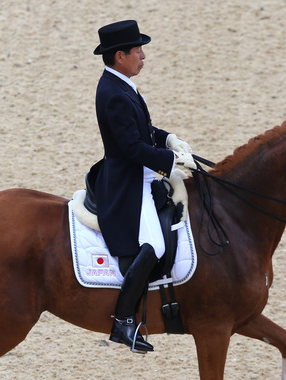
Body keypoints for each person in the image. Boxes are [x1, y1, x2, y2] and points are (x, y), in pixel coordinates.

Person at [92, 20, 195, 353]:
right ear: (119, 55)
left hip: (142, 173)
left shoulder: (123, 85)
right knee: (156, 244)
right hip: (128, 182)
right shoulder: (113, 93)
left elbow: (144, 131)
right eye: (138, 50)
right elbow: (131, 148)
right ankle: (123, 321)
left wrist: (169, 139)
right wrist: (170, 160)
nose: (143, 56)